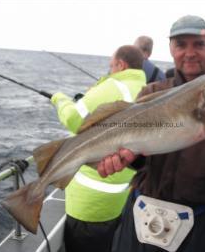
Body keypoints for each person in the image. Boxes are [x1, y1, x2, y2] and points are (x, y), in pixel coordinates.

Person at [97, 15, 205, 252]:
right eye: (181, 45)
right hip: (143, 217)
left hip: (202, 227)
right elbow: (141, 160)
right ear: (171, 48)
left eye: (199, 44)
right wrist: (128, 157)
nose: (190, 53)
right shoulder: (152, 92)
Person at [50, 45, 146, 252]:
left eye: (111, 65)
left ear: (121, 64)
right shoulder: (147, 89)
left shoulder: (113, 87)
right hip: (120, 198)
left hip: (88, 203)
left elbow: (74, 119)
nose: (110, 70)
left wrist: (59, 98)